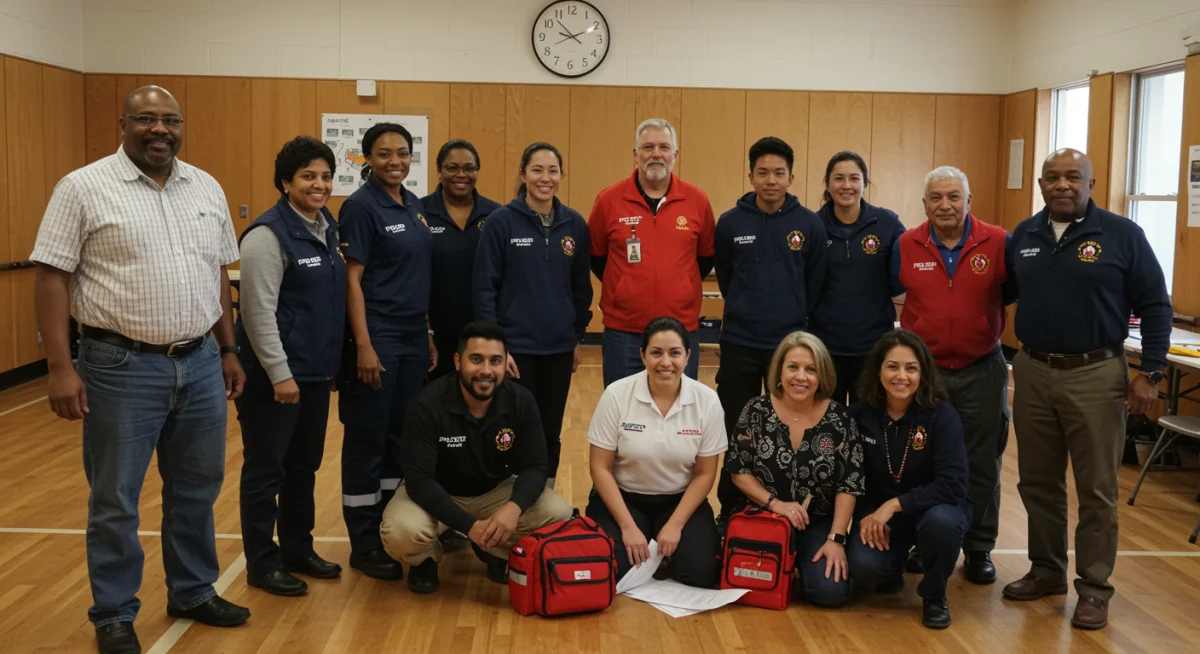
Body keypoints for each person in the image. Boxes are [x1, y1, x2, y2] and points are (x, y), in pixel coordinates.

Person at [31, 85, 250, 654]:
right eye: (147, 119)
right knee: (115, 498)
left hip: (200, 361)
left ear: (182, 127)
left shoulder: (205, 186)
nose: (160, 130)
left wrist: (228, 350)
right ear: (123, 123)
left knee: (197, 488)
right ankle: (113, 612)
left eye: (170, 120)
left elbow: (218, 279)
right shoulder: (83, 187)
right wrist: (59, 366)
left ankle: (193, 591)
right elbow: (52, 275)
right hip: (117, 364)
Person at [1001, 149, 1172, 630]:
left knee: (1096, 489)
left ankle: (1095, 588)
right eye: (1052, 177)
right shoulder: (1025, 235)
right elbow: (1002, 293)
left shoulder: (1122, 235)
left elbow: (1156, 304)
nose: (1062, 184)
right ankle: (1047, 570)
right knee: (1038, 481)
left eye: (1073, 177)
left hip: (1096, 373)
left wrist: (1152, 372)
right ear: (1040, 184)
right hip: (1031, 369)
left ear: (1091, 183)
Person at [379, 322, 573, 594]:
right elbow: (420, 481)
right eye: (476, 359)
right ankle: (424, 560)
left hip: (493, 493)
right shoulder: (426, 404)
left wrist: (513, 508)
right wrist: (469, 526)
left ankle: (495, 551)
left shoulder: (521, 400)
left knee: (558, 514)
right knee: (401, 531)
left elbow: (536, 465)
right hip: (436, 493)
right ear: (458, 361)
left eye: (495, 361)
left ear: (506, 362)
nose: (486, 370)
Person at [234, 136, 347, 597]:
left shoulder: (326, 226)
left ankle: (298, 549)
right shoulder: (267, 235)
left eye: (324, 176)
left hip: (315, 375)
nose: (318, 185)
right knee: (266, 471)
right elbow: (258, 312)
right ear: (285, 182)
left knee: (304, 467)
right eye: (307, 176)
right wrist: (280, 373)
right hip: (274, 379)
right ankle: (263, 563)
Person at [888, 165, 1011, 585]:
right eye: (936, 198)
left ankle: (978, 548)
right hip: (927, 374)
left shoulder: (997, 241)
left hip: (983, 370)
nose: (945, 205)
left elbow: (1009, 292)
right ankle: (929, 543)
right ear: (924, 205)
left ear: (968, 201)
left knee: (982, 463)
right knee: (922, 461)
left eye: (954, 196)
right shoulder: (905, 244)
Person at [337, 122, 436, 580]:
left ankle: (389, 529)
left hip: (414, 337)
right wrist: (363, 345)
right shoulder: (360, 207)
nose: (394, 161)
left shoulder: (413, 205)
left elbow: (417, 276)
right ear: (367, 159)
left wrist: (428, 333)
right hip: (377, 337)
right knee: (367, 440)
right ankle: (362, 542)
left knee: (401, 438)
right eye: (383, 154)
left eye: (402, 153)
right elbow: (352, 280)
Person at [713, 136, 828, 513]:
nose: (771, 180)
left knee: (783, 428)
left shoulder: (809, 225)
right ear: (750, 176)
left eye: (779, 172)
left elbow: (814, 283)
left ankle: (782, 504)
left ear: (791, 178)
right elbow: (727, 279)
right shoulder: (730, 223)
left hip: (788, 348)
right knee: (738, 428)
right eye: (762, 172)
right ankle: (731, 510)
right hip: (740, 342)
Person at [473, 142, 592, 489]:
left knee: (549, 429)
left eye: (552, 170)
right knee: (508, 428)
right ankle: (505, 498)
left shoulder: (574, 224)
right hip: (514, 350)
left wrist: (576, 337)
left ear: (561, 176)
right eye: (537, 170)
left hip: (558, 347)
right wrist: (497, 349)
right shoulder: (500, 223)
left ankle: (544, 498)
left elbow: (580, 288)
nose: (545, 178)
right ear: (523, 175)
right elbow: (484, 289)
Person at [724, 331, 863, 607]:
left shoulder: (840, 418)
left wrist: (836, 538)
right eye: (793, 367)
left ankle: (793, 567)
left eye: (811, 369)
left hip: (817, 521)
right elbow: (738, 470)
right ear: (779, 371)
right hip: (764, 515)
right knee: (736, 579)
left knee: (830, 593)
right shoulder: (756, 409)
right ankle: (788, 567)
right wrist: (776, 504)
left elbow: (850, 483)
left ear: (822, 375)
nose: (801, 377)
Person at [586, 317, 726, 587]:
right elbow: (599, 468)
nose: (665, 362)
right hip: (624, 500)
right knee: (614, 573)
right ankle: (649, 546)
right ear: (642, 355)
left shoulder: (707, 401)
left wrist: (675, 525)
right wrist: (627, 528)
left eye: (674, 353)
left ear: (687, 356)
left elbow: (705, 474)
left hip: (679, 501)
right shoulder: (616, 395)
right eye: (656, 353)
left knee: (701, 574)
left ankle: (661, 547)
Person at [847, 329, 971, 630]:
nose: (901, 376)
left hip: (936, 508)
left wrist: (895, 504)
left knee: (941, 523)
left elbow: (953, 484)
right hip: (883, 515)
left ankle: (934, 595)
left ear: (923, 373)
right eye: (892, 366)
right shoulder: (859, 415)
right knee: (864, 570)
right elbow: (850, 478)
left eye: (911, 368)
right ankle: (892, 567)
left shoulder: (942, 416)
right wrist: (866, 514)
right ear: (878, 370)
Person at [587, 118, 717, 386]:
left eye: (664, 147)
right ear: (636, 155)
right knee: (624, 414)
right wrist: (626, 286)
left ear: (675, 155)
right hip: (624, 332)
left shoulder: (697, 201)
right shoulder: (608, 200)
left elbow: (704, 258)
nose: (656, 154)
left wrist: (679, 284)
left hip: (680, 331)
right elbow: (596, 257)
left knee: (680, 415)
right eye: (648, 147)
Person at [808, 151, 905, 404]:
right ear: (827, 184)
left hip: (873, 347)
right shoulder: (812, 226)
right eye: (839, 178)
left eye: (854, 178)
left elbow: (905, 270)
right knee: (828, 425)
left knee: (870, 424)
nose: (847, 186)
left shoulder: (887, 223)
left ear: (865, 182)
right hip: (826, 347)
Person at [422, 139, 502, 382]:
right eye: (451, 167)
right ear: (439, 170)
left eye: (469, 168)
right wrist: (424, 330)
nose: (461, 175)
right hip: (435, 332)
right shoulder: (418, 212)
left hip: (483, 332)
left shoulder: (497, 215)